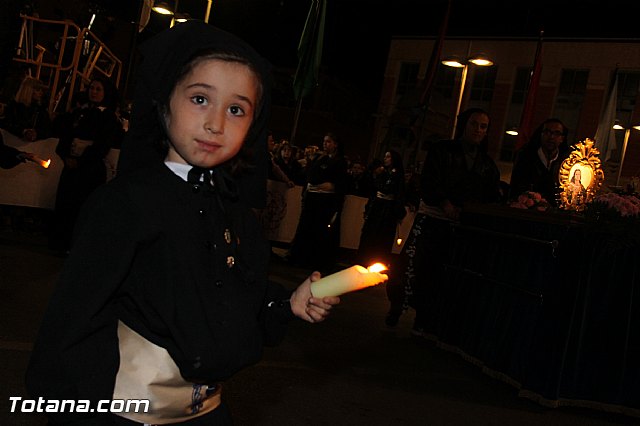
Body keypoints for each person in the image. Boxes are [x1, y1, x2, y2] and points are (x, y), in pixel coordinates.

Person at [25, 21, 339, 425]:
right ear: (164, 101)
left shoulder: (236, 215)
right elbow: (71, 323)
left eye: (236, 109)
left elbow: (232, 305)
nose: (216, 124)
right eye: (199, 99)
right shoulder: (125, 205)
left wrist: (287, 303)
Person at [402, 108, 501, 335]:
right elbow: (430, 181)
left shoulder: (487, 164)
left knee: (451, 276)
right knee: (423, 269)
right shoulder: (441, 150)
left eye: (483, 126)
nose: (478, 130)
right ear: (464, 125)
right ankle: (419, 317)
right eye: (474, 124)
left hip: (463, 226)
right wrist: (444, 203)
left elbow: (489, 194)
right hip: (435, 220)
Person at [48, 75, 125, 252]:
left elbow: (102, 144)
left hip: (89, 170)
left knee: (83, 207)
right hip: (71, 167)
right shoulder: (79, 113)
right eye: (92, 88)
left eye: (98, 89)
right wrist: (67, 155)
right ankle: (61, 243)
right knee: (65, 205)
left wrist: (82, 159)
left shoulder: (108, 117)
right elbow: (65, 136)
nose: (94, 92)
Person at [356, 150, 407, 326]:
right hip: (378, 208)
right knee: (369, 236)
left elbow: (388, 189)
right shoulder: (384, 174)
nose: (385, 159)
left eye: (388, 157)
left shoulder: (395, 176)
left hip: (386, 212)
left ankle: (376, 263)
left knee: (381, 238)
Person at [288, 132, 348, 272]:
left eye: (328, 142)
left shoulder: (340, 162)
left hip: (325, 203)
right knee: (306, 229)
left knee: (320, 232)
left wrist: (330, 186)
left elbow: (339, 184)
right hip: (313, 200)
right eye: (324, 141)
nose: (325, 144)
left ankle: (317, 261)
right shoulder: (320, 158)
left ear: (335, 144)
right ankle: (301, 257)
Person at [509, 118, 570, 206]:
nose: (551, 137)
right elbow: (516, 188)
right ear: (541, 134)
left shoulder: (566, 163)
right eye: (547, 132)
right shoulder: (525, 157)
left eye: (556, 133)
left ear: (562, 138)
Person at [0, 75, 52, 142]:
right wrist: (23, 131)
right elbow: (7, 125)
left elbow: (48, 129)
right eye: (38, 90)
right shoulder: (14, 107)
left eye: (41, 90)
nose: (41, 92)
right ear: (29, 90)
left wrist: (37, 133)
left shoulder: (41, 110)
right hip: (13, 144)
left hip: (33, 147)